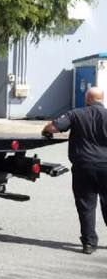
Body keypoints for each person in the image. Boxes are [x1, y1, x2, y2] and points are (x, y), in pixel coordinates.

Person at [43, 86, 107, 254]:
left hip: (83, 166)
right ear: (103, 98)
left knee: (86, 205)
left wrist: (45, 130)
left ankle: (89, 243)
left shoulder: (76, 114)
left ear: (87, 99)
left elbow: (53, 128)